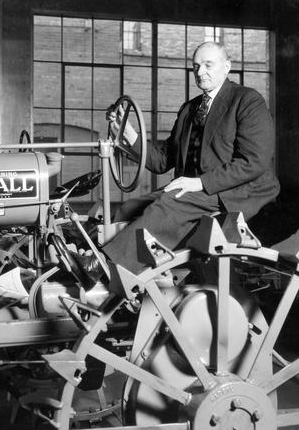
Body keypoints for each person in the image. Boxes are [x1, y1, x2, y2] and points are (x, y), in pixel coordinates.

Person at [98, 41, 280, 276]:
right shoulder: (189, 110)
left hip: (237, 190)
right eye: (195, 66)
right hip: (196, 189)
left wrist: (199, 183)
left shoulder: (247, 101)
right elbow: (162, 161)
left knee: (168, 204)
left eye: (208, 65)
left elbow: (253, 162)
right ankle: (138, 283)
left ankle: (104, 266)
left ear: (227, 67)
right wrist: (127, 133)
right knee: (130, 207)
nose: (200, 72)